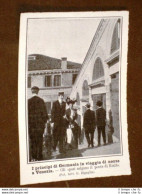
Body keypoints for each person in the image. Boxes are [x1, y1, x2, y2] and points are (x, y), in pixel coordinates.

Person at [28, 86, 48, 161]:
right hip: (40, 126)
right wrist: (44, 123)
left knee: (33, 141)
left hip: (31, 126)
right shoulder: (41, 101)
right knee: (39, 141)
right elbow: (45, 115)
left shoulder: (28, 101)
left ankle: (33, 157)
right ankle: (39, 156)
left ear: (32, 92)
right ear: (38, 92)